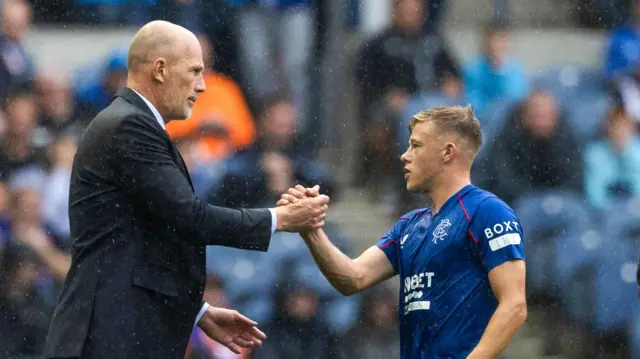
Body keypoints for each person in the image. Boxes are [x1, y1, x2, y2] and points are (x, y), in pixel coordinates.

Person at [43, 20, 330, 359]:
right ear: (160, 69)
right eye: (195, 71)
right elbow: (189, 217)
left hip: (118, 330)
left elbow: (145, 244)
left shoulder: (132, 124)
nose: (203, 85)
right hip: (110, 336)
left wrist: (198, 312)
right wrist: (279, 218)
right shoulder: (129, 126)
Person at [279, 106, 527, 358]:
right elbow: (353, 278)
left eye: (416, 146)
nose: (404, 156)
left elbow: (515, 305)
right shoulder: (409, 226)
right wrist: (311, 230)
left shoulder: (488, 212)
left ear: (447, 152)